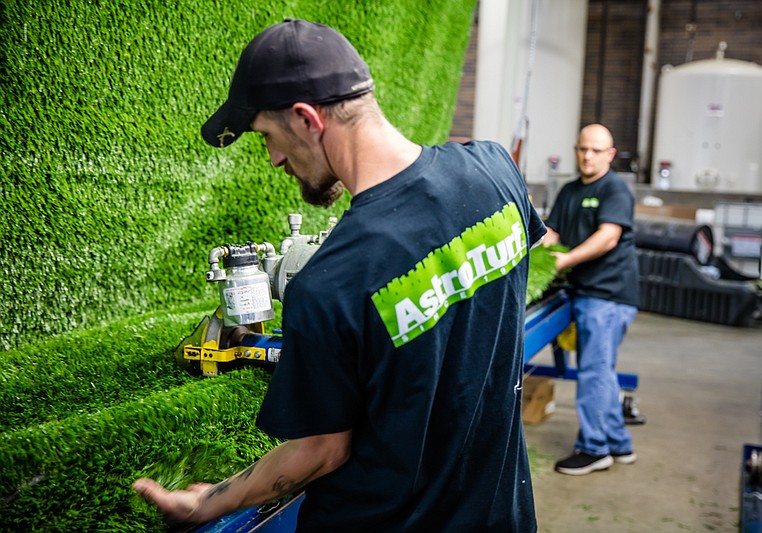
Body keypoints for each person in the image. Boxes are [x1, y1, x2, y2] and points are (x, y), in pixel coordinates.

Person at [133, 18, 547, 531]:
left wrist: (206, 503)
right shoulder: (493, 169)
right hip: (501, 515)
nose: (274, 159)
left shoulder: (330, 283)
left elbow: (321, 452)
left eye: (268, 136)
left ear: (307, 118)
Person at [542, 124, 639, 476]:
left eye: (596, 150)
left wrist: (565, 261)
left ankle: (594, 448)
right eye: (583, 149)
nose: (588, 156)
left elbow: (608, 237)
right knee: (601, 370)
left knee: (593, 372)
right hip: (585, 292)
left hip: (608, 295)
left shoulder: (615, 190)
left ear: (610, 154)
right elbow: (552, 233)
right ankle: (618, 442)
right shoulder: (569, 191)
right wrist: (537, 254)